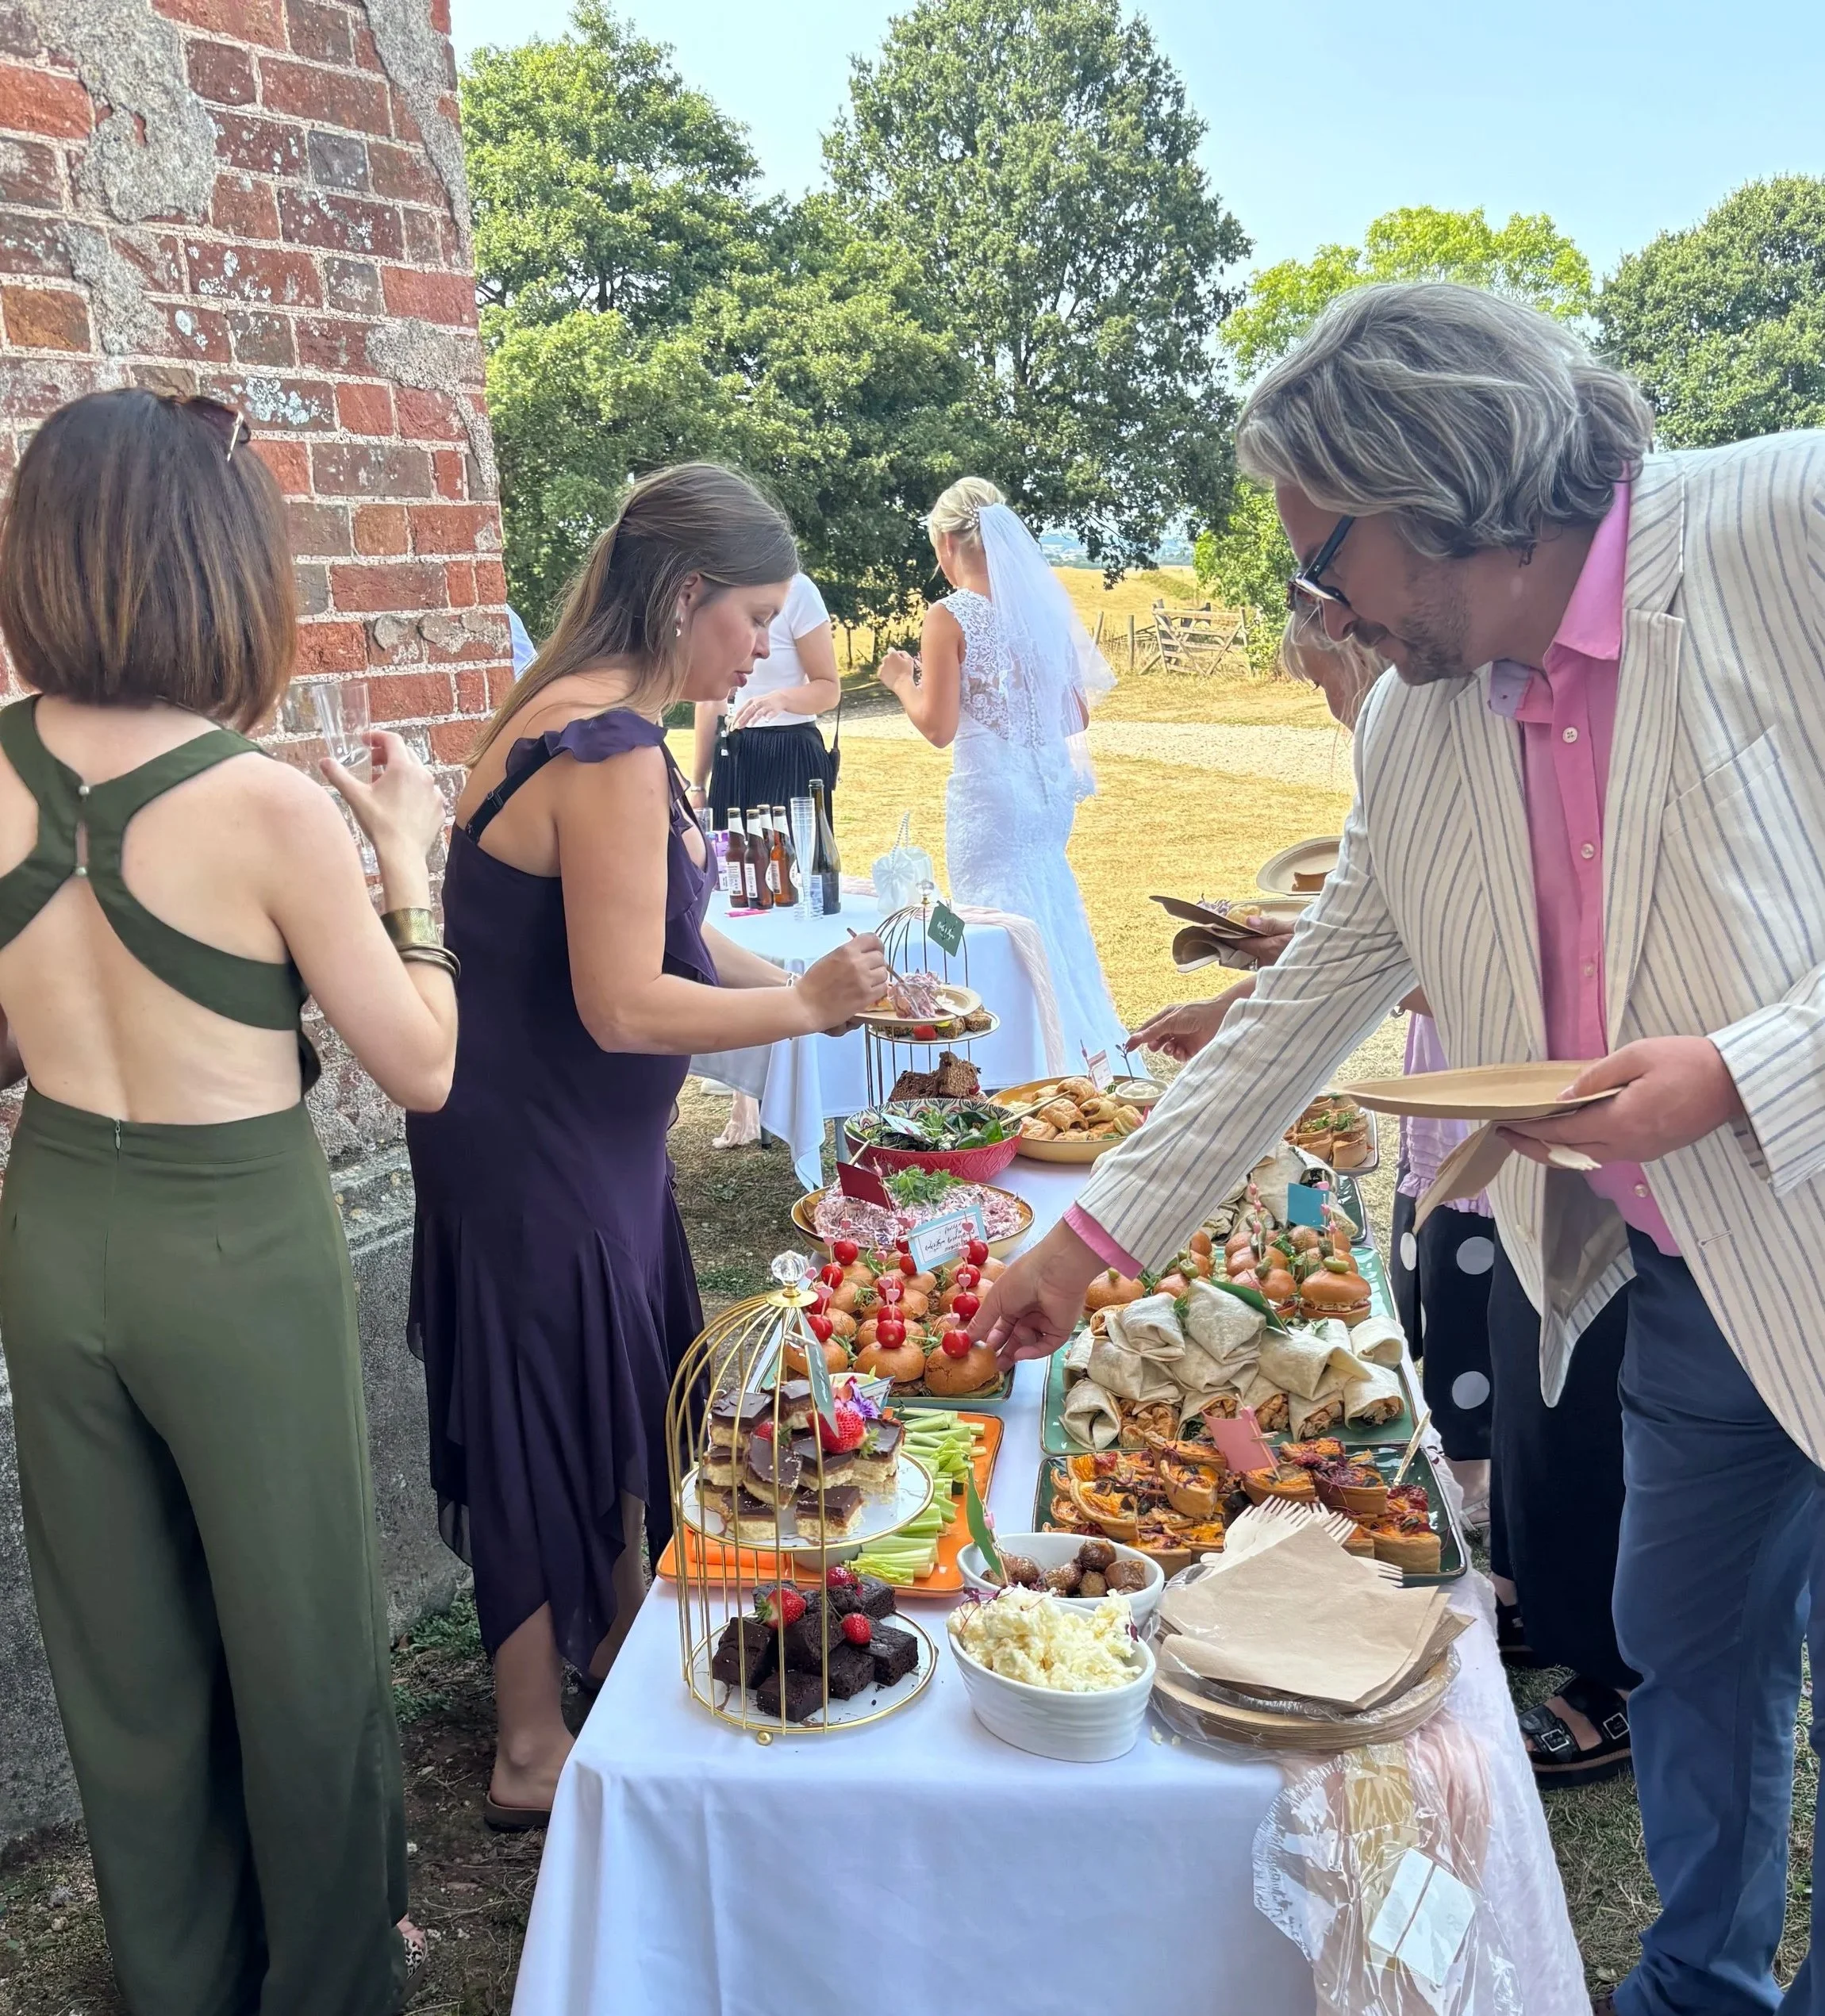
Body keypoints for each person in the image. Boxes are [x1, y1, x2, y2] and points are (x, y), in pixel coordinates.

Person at [970, 281, 1825, 2016]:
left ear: (1434, 484)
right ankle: (1698, 1980)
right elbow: (1307, 1002)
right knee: (1688, 1652)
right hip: (1679, 1276)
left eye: (1319, 558)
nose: (1315, 606)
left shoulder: (1781, 523)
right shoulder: (1412, 721)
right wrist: (1086, 1242)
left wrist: (1744, 1066)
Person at [0, 389, 459, 2014]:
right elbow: (419, 1064)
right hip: (234, 1234)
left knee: (119, 1645)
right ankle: (330, 1975)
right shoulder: (265, 801)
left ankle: (180, 1972)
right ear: (220, 569)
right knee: (303, 1627)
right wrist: (407, 861)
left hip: (53, 1224)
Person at [405, 464, 888, 1830]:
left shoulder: (603, 725)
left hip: (570, 1138)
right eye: (750, 616)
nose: (761, 650)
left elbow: (678, 944)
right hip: (532, 1140)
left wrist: (813, 980)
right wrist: (797, 1006)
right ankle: (528, 1749)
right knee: (533, 1407)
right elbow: (624, 1003)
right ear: (685, 598)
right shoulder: (604, 751)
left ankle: (618, 1641)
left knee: (609, 1381)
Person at [1136, 612, 1638, 1789]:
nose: (1323, 704)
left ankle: (1606, 1673)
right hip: (1447, 1132)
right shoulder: (1417, 741)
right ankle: (1527, 1593)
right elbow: (1386, 930)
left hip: (1517, 1137)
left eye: (1323, 681)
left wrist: (1297, 961)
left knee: (1560, 1416)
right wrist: (1293, 952)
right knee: (1495, 1396)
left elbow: (1461, 952)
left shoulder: (1475, 744)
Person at [878, 478, 1128, 1066]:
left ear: (945, 542)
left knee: (994, 924)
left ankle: (1024, 1061)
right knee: (1051, 912)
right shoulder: (1036, 608)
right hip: (1045, 797)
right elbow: (1076, 714)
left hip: (990, 800)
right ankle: (1086, 1052)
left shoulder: (949, 617)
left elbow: (938, 727)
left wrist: (899, 681)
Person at [689, 570, 842, 1146]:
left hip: (792, 755)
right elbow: (710, 698)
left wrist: (776, 699)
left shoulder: (799, 591)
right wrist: (699, 782)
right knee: (738, 901)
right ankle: (743, 1101)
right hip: (737, 758)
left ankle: (804, 1065)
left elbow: (828, 686)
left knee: (794, 897)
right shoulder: (717, 591)